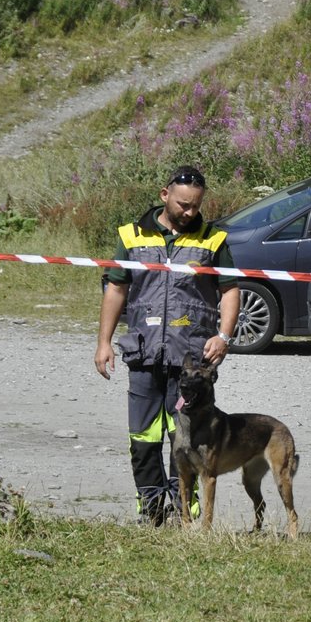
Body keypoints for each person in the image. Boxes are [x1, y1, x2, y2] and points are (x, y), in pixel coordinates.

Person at [94, 166, 239, 524]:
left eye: (196, 206)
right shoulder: (131, 236)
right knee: (143, 438)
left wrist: (224, 337)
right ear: (165, 195)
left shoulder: (213, 240)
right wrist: (103, 342)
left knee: (186, 439)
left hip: (191, 361)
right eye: (183, 205)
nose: (190, 212)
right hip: (143, 354)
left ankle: (182, 508)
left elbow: (230, 289)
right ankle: (151, 507)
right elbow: (116, 288)